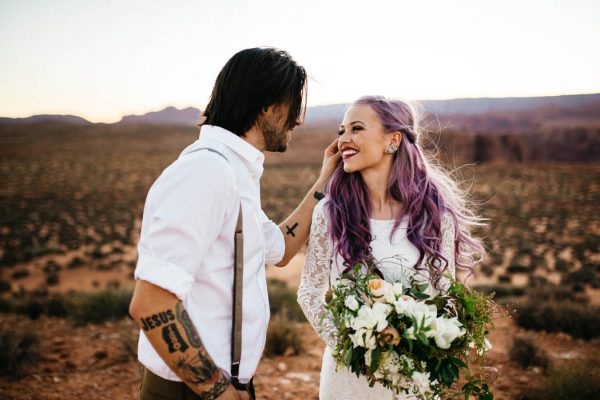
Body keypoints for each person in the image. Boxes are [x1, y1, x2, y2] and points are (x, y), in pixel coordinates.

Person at [129, 47, 341, 400]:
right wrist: (218, 391)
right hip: (193, 390)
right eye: (293, 106)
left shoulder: (232, 173)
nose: (298, 120)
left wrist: (324, 182)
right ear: (266, 106)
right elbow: (151, 303)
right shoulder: (206, 172)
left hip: (217, 385)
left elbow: (281, 248)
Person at [297, 96, 487, 399]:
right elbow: (309, 292)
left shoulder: (436, 215)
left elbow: (449, 295)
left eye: (356, 129)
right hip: (349, 377)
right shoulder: (331, 212)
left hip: (416, 377)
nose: (343, 139)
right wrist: (353, 348)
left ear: (393, 140)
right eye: (341, 130)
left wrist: (425, 344)